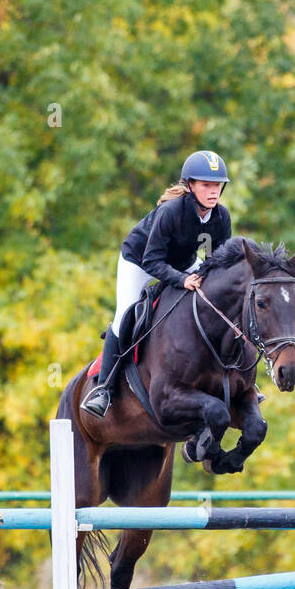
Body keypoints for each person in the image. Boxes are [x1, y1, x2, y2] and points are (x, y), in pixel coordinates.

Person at [81, 150, 233, 418]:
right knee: (125, 314)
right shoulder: (171, 212)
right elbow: (152, 261)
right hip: (139, 261)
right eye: (206, 185)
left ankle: (237, 377)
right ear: (190, 186)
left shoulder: (221, 217)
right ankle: (103, 389)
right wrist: (182, 279)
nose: (213, 191)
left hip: (182, 261)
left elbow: (216, 263)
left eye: (217, 185)